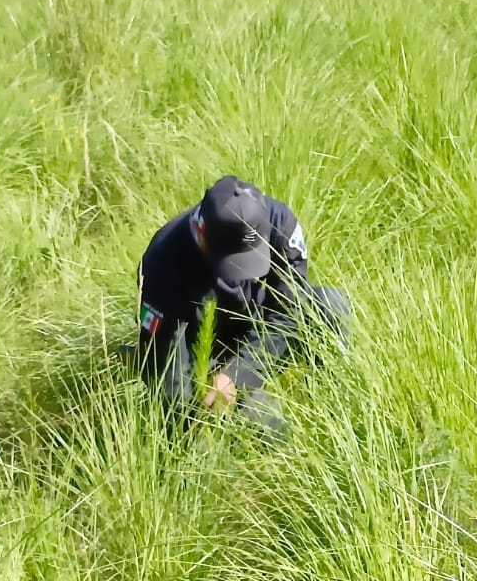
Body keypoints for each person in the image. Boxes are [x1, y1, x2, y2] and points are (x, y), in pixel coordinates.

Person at [137, 175, 349, 431]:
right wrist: (197, 407)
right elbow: (169, 366)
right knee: (271, 428)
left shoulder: (281, 223)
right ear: (200, 233)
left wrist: (237, 374)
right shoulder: (164, 260)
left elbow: (289, 311)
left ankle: (335, 410)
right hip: (207, 347)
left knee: (331, 304)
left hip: (264, 326)